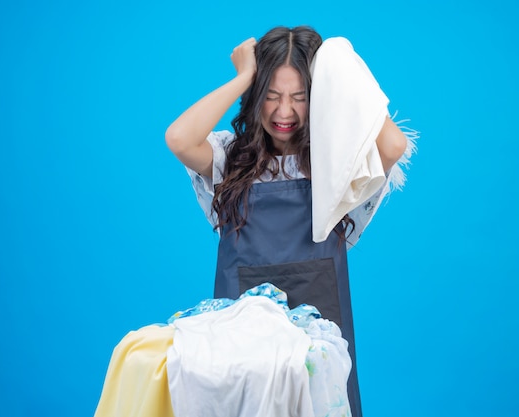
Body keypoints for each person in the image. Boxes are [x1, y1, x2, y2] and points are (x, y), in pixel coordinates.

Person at [165, 25, 409, 417]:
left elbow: (394, 145)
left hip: (320, 337)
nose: (284, 112)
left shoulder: (338, 163)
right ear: (257, 97)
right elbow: (179, 138)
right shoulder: (229, 159)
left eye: (300, 97)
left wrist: (341, 66)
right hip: (242, 335)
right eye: (272, 96)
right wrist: (244, 76)